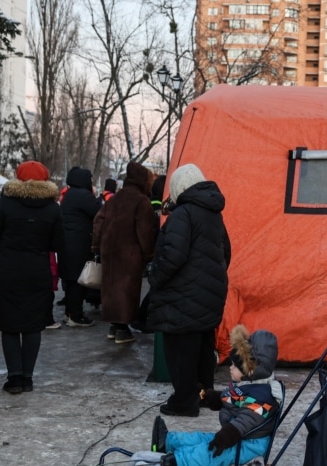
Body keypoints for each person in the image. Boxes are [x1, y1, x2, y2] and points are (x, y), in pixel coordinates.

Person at [147, 163, 231, 417]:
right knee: (203, 346)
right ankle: (203, 394)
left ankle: (184, 401)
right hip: (209, 294)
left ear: (179, 187)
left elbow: (172, 256)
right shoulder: (213, 213)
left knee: (180, 349)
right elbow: (225, 252)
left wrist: (155, 277)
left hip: (183, 296)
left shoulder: (183, 214)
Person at [143, 325, 282, 466]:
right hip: (240, 438)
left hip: (250, 446)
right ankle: (167, 441)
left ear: (250, 370)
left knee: (210, 453)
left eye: (235, 366)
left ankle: (177, 463)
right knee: (202, 438)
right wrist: (215, 397)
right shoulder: (251, 384)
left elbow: (247, 419)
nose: (230, 368)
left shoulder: (264, 396)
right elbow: (237, 399)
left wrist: (228, 434)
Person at [0, 161, 65, 394]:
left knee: (9, 325)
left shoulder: (6, 203)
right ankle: (28, 378)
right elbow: (58, 243)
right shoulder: (52, 208)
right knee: (32, 325)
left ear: (18, 178)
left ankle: (14, 377)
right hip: (37, 270)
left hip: (8, 269)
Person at [92, 162, 155, 345]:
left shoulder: (114, 199)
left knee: (112, 289)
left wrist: (96, 246)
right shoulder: (141, 201)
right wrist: (149, 254)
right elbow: (145, 230)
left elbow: (98, 221)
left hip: (109, 251)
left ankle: (114, 325)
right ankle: (122, 329)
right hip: (129, 253)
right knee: (127, 291)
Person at [58, 166, 100, 327]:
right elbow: (98, 212)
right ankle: (76, 316)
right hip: (79, 243)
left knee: (70, 280)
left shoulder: (69, 195)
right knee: (78, 281)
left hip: (67, 243)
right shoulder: (83, 195)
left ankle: (70, 313)